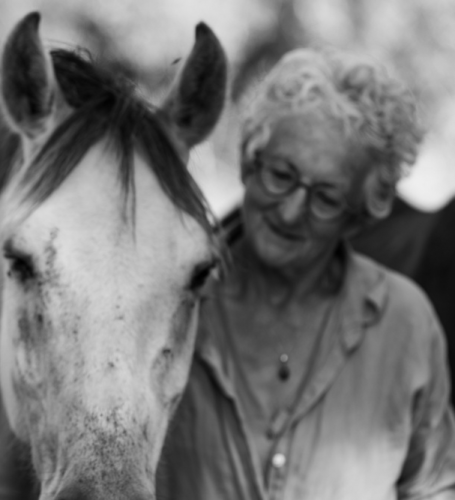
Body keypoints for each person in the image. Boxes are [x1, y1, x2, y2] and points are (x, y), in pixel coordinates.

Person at [156, 48, 455, 500]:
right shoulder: (166, 305)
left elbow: (434, 488)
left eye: (327, 198)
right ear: (248, 162)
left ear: (359, 216)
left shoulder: (406, 322)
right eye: (281, 174)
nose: (292, 211)